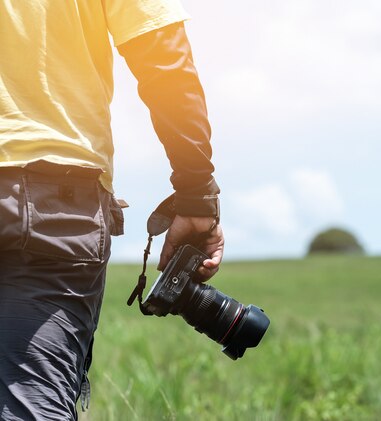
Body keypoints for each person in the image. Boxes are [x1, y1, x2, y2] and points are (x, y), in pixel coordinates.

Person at [0, 0, 224, 419]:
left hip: (51, 208)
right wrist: (196, 193)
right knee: (29, 401)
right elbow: (163, 56)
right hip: (53, 205)